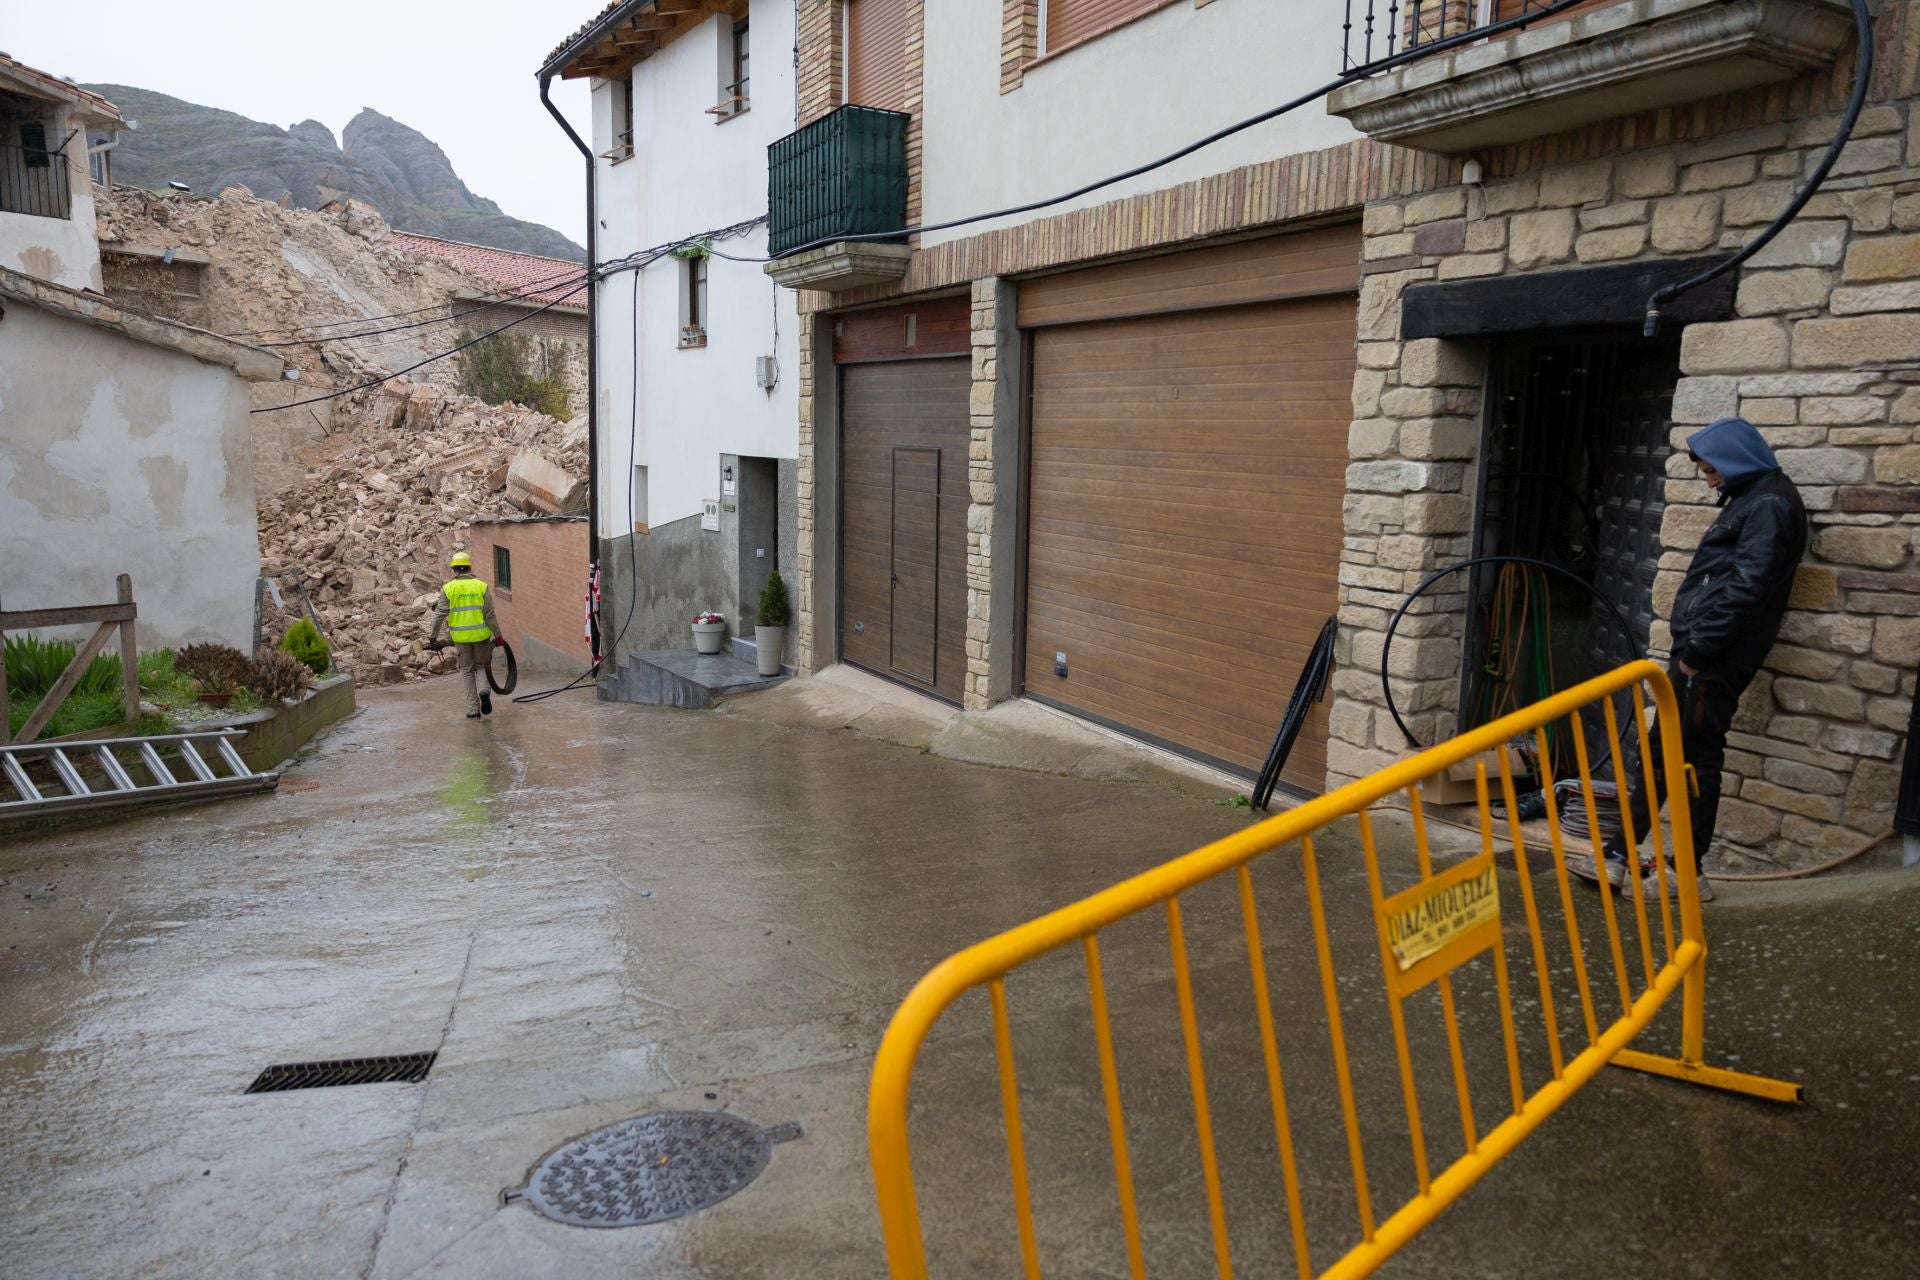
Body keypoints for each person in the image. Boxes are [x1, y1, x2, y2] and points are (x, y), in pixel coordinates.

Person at [1567, 417, 1808, 903]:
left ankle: (1686, 874)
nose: (1710, 481)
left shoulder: (1769, 504)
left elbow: (1747, 589)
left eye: (1712, 470)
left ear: (1736, 458)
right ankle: (1618, 854)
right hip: (1705, 651)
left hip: (1714, 657)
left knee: (1695, 757)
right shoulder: (1756, 499)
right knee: (1663, 751)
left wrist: (1698, 653)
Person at [428, 550, 504, 719]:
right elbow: (489, 614)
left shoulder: (448, 589)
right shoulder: (481, 586)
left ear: (454, 570)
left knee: (467, 671)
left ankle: (473, 709)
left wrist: (432, 637)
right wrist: (498, 635)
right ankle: (484, 691)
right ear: (469, 568)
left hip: (461, 638)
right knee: (481, 666)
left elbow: (439, 614)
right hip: (481, 635)